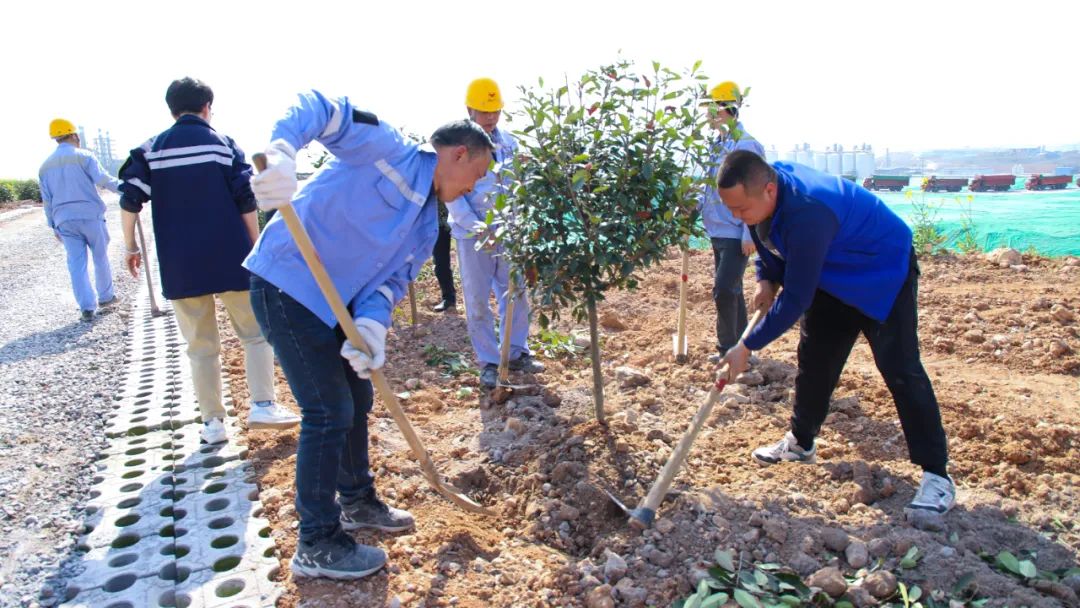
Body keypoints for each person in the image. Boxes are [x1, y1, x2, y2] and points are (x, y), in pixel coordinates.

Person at [244, 89, 493, 579]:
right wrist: (282, 153)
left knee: (356, 401)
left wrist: (372, 325)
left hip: (337, 307)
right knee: (327, 410)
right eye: (477, 177)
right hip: (288, 284)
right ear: (459, 154)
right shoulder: (386, 148)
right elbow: (320, 107)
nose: (473, 189)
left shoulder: (426, 224)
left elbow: (392, 280)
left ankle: (357, 501)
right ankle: (316, 542)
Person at [716, 151, 955, 518]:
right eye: (731, 209)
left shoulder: (809, 211)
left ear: (768, 190)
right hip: (832, 271)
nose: (737, 217)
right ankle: (800, 443)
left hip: (880, 271)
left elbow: (796, 298)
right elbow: (765, 240)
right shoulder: (758, 198)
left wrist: (746, 345)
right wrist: (766, 278)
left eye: (741, 209)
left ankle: (937, 476)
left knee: (900, 369)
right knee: (816, 360)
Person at [117, 77, 300, 446]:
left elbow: (129, 199)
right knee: (254, 334)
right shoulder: (223, 145)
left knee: (200, 346)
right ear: (207, 107)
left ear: (172, 110)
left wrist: (130, 247)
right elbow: (245, 199)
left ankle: (213, 424)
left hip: (180, 262)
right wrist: (255, 247)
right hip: (230, 256)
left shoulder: (150, 149)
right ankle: (263, 404)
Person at [446, 78, 544, 388]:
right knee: (477, 301)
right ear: (469, 110)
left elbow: (519, 185)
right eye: (484, 112)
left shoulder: (511, 143)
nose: (490, 118)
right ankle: (489, 362)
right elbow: (452, 194)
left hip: (509, 231)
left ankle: (515, 352)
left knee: (515, 293)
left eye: (495, 111)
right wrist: (479, 229)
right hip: (472, 234)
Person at [696, 82, 765, 360]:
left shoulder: (746, 145)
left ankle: (728, 349)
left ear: (726, 110)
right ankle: (743, 348)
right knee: (732, 290)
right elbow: (708, 186)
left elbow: (756, 192)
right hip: (718, 228)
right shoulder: (717, 145)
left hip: (738, 230)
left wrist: (750, 230)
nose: (708, 117)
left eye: (712, 110)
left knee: (724, 289)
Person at [39, 118, 120, 321]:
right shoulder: (84, 157)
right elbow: (104, 180)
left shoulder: (45, 167)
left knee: (76, 263)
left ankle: (86, 307)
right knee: (100, 256)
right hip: (90, 215)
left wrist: (53, 225)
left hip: (64, 220)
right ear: (74, 135)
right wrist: (128, 189)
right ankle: (106, 297)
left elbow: (47, 201)